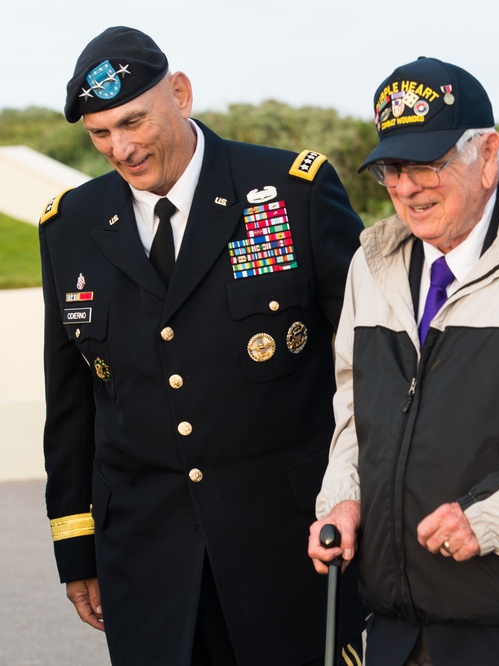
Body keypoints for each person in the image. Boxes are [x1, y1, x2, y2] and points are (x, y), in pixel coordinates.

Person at [39, 26, 364, 665]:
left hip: (289, 546)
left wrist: (365, 500)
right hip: (146, 561)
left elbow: (369, 358)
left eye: (133, 122)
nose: (122, 149)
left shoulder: (292, 190)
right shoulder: (69, 225)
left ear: (180, 94)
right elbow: (72, 400)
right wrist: (76, 550)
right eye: (100, 134)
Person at [306, 56, 499, 666]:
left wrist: (490, 520)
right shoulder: (370, 262)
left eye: (427, 164)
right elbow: (354, 411)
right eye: (393, 168)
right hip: (399, 629)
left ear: (487, 154)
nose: (406, 187)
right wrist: (343, 500)